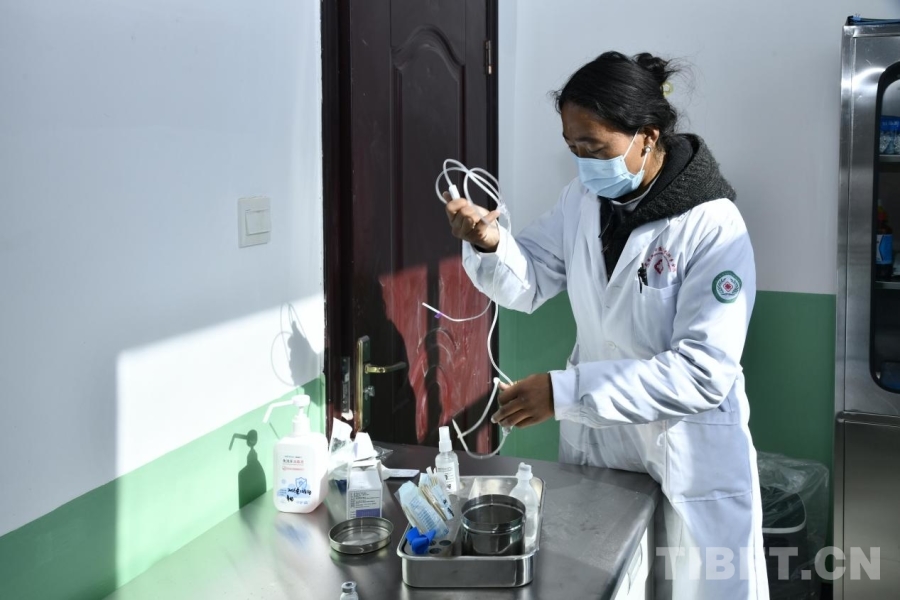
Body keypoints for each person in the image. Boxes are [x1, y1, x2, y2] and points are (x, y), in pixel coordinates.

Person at [444, 51, 769, 600]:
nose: (583, 163)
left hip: (689, 457)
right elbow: (530, 279)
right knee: (607, 585)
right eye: (573, 148)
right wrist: (491, 242)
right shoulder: (583, 201)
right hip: (604, 448)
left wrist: (564, 393)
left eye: (594, 148)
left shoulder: (713, 225)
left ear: (647, 136)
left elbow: (703, 373)